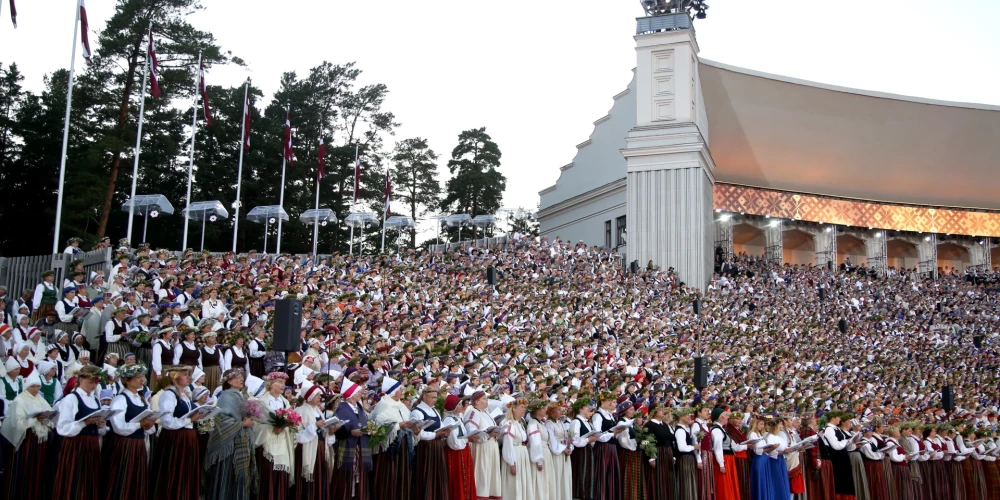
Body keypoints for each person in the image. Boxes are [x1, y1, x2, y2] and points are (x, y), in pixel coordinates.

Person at [149, 365, 205, 500]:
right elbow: (167, 421)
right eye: (185, 374)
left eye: (188, 374)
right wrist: (189, 420)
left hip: (186, 438)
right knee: (174, 472)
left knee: (186, 472)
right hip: (175, 439)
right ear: (175, 377)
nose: (189, 377)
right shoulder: (169, 395)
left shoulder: (184, 395)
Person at [52, 364, 106, 500]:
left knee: (89, 480)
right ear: (81, 379)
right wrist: (84, 423)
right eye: (90, 382)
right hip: (76, 445)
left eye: (96, 382)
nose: (93, 385)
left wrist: (101, 425)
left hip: (92, 445)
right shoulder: (71, 399)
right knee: (76, 479)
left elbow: (99, 430)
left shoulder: (95, 399)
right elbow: (62, 428)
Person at [204, 368, 258, 500]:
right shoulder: (226, 396)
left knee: (240, 476)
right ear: (229, 381)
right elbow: (222, 421)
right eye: (237, 377)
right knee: (228, 475)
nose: (241, 379)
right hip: (230, 446)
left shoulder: (240, 395)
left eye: (241, 377)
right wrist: (242, 424)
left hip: (241, 442)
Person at [105, 363, 157, 500]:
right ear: (127, 380)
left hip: (138, 444)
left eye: (142, 377)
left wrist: (148, 425)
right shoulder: (120, 399)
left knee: (137, 478)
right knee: (123, 478)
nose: (142, 380)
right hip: (125, 445)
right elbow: (118, 426)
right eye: (137, 377)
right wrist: (140, 424)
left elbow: (149, 428)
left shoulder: (141, 400)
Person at [0, 371, 55, 498]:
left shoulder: (40, 399)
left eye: (38, 386)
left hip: (41, 441)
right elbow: (17, 423)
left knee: (39, 469)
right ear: (27, 386)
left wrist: (47, 419)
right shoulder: (19, 401)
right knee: (26, 469)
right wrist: (35, 420)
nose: (36, 389)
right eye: (33, 386)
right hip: (27, 441)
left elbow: (50, 417)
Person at [369, 376, 419, 500]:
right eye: (400, 389)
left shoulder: (400, 405)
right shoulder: (383, 404)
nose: (402, 391)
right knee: (389, 476)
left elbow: (407, 421)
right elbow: (378, 425)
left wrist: (414, 429)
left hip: (404, 446)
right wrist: (398, 425)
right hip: (390, 448)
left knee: (402, 475)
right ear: (393, 391)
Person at [252, 372, 295, 500]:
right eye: (280, 382)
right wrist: (271, 427)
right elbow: (255, 424)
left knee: (281, 477)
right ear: (271, 384)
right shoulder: (261, 402)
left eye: (284, 383)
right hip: (267, 443)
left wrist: (285, 425)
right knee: (268, 477)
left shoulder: (285, 402)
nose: (283, 385)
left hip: (282, 443)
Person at [411, 385, 453, 500]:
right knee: (427, 475)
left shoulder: (434, 410)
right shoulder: (417, 411)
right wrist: (436, 434)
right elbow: (419, 434)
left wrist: (445, 432)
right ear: (425, 396)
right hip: (425, 448)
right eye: (432, 397)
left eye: (436, 397)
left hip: (437, 446)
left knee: (437, 475)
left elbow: (441, 426)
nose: (434, 400)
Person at [293, 384, 330, 500]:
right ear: (309, 397)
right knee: (309, 477)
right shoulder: (300, 410)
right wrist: (314, 426)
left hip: (320, 447)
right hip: (308, 448)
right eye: (317, 395)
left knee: (319, 475)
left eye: (319, 395)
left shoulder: (318, 410)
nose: (320, 397)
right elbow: (297, 433)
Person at [443, 394, 477, 500]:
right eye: (459, 405)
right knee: (458, 480)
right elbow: (454, 443)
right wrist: (467, 439)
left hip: (463, 452)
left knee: (465, 479)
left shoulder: (456, 418)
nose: (461, 406)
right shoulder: (449, 421)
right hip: (456, 454)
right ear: (453, 407)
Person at [592, 392, 625, 499]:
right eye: (609, 401)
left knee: (611, 474)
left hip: (612, 447)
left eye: (613, 401)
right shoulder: (598, 415)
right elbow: (598, 435)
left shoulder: (609, 415)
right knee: (603, 473)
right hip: (603, 448)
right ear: (602, 402)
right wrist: (613, 433)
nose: (612, 403)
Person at [711, 408, 746, 500]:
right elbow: (718, 448)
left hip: (728, 459)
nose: (727, 417)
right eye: (726, 415)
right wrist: (721, 464)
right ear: (720, 417)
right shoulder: (717, 430)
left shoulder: (722, 430)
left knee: (729, 482)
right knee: (723, 483)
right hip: (724, 459)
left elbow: (733, 446)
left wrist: (746, 446)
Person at [501, 398, 532, 500]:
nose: (524, 409)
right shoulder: (509, 423)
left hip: (522, 454)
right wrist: (511, 463)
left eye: (525, 407)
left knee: (522, 481)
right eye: (522, 407)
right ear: (514, 409)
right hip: (515, 455)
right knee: (514, 482)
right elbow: (507, 444)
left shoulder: (520, 422)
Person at [645, 404, 676, 500]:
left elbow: (671, 441)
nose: (663, 411)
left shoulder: (665, 425)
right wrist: (651, 457)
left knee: (667, 477)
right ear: (654, 412)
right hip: (658, 453)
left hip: (667, 453)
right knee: (658, 478)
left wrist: (673, 456)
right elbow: (647, 441)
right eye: (660, 409)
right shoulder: (649, 425)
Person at [545, 403, 574, 500]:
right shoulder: (549, 424)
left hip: (564, 452)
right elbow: (552, 441)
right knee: (558, 476)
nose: (561, 412)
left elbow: (566, 436)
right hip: (557, 454)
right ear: (552, 412)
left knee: (565, 477)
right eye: (558, 410)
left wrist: (570, 446)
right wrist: (563, 449)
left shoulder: (560, 422)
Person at [675, 407, 701, 500]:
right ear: (681, 416)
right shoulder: (680, 430)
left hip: (688, 458)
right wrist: (694, 447)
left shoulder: (684, 429)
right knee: (686, 483)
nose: (689, 416)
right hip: (684, 459)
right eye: (687, 415)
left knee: (689, 482)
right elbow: (682, 448)